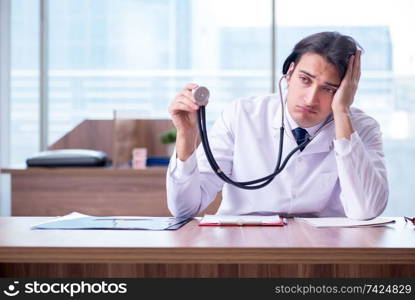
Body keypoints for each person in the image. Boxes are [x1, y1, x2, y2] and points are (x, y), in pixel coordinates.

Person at [166, 31, 388, 220]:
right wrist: (186, 135)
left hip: (323, 253)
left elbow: (366, 210)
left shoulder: (361, 128)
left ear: (346, 90)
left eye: (329, 89)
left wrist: (342, 113)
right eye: (305, 79)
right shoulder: (241, 115)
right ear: (289, 73)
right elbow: (184, 208)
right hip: (243, 247)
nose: (311, 99)